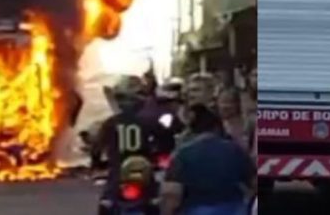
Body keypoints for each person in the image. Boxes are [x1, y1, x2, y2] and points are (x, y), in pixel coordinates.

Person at [160, 105, 255, 215]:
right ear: (217, 128)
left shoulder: (182, 154)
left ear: (191, 130)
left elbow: (171, 195)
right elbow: (253, 183)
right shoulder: (234, 150)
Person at [93, 75, 164, 215]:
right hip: (145, 179)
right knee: (156, 204)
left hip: (117, 179)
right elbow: (164, 145)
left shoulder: (110, 123)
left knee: (106, 205)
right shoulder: (152, 122)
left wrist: (96, 164)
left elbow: (96, 150)